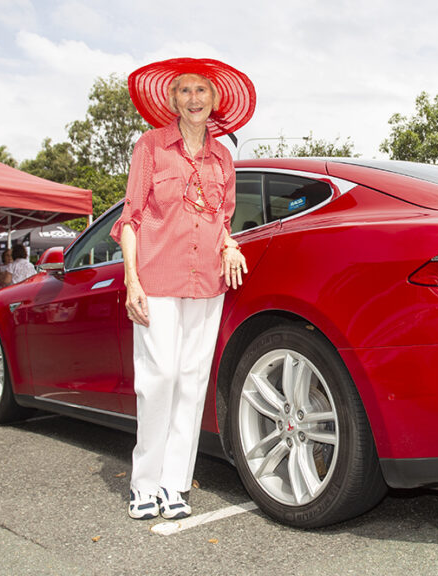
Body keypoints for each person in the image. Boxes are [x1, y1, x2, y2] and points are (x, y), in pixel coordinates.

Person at [111, 57, 255, 521]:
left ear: (215, 101)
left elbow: (221, 219)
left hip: (208, 283)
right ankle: (144, 483)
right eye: (185, 91)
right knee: (160, 379)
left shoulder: (223, 158)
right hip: (157, 278)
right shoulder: (150, 146)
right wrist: (132, 279)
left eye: (202, 91)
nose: (194, 99)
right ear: (172, 100)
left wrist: (230, 245)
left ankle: (175, 485)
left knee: (192, 384)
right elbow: (130, 218)